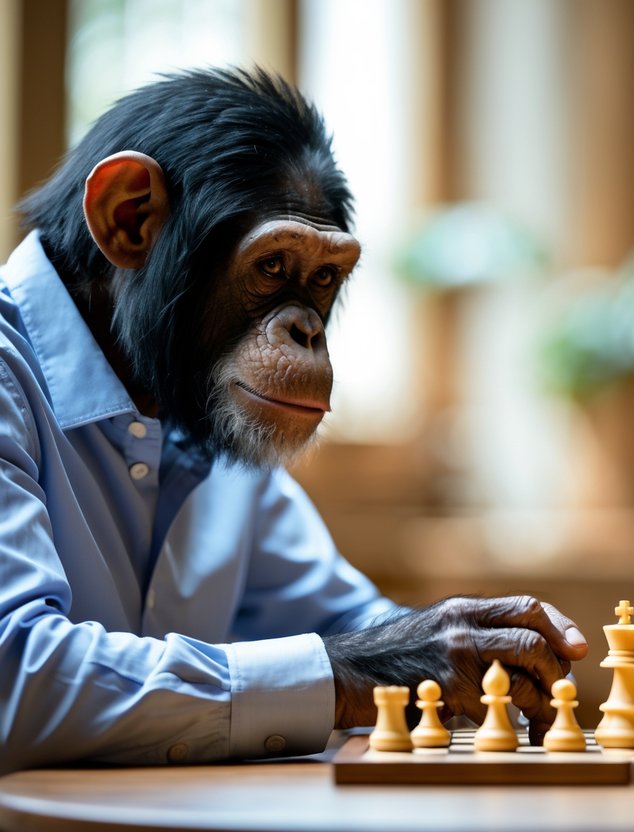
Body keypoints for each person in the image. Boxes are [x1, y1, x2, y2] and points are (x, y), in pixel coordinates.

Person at [0, 68, 587, 774]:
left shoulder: (196, 405)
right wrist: (354, 675)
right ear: (131, 220)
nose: (307, 330)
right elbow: (14, 681)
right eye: (272, 267)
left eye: (322, 278)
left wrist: (471, 654)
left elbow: (348, 627)